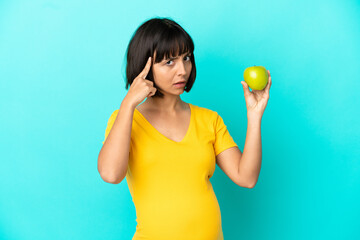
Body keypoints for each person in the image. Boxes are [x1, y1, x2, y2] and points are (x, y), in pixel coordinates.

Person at [98, 17, 272, 240]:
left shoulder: (209, 120)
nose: (182, 70)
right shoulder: (126, 119)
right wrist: (129, 102)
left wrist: (254, 116)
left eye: (186, 58)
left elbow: (246, 178)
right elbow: (111, 174)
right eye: (169, 62)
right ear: (145, 66)